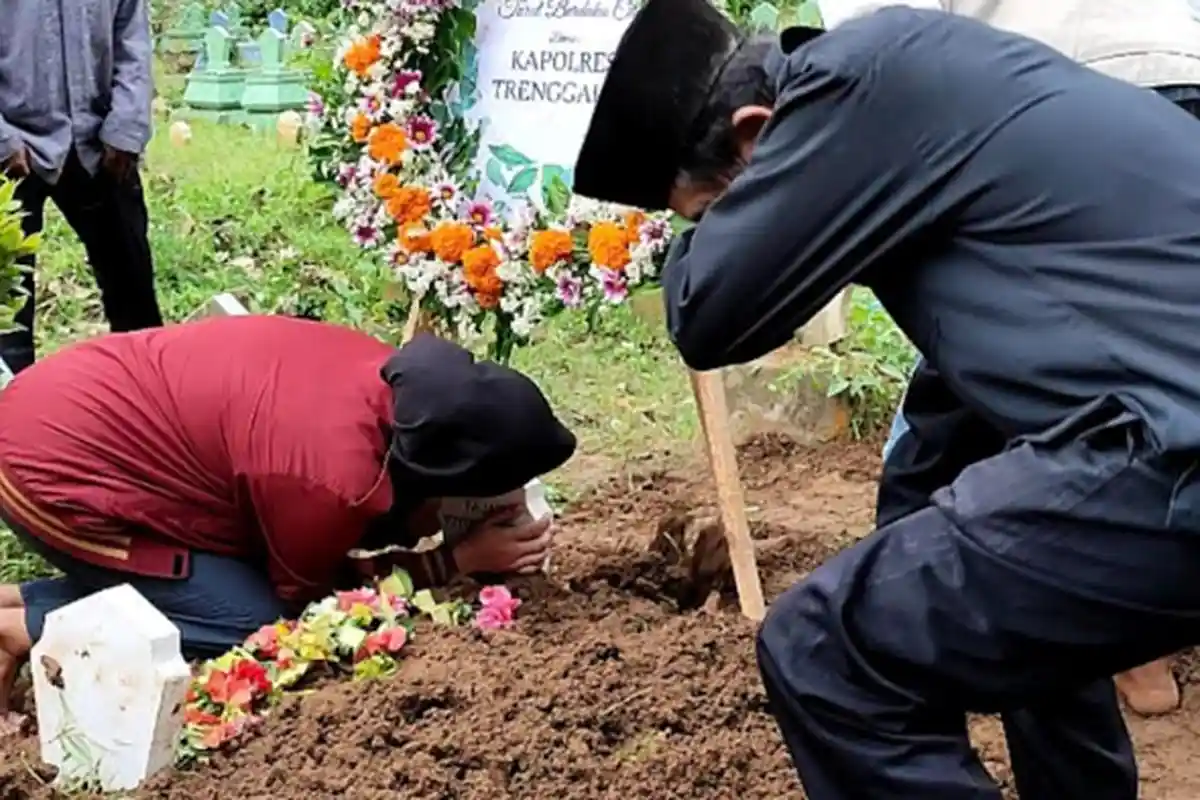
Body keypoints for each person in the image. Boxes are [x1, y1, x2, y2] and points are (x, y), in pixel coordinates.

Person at [575, 2, 1200, 798]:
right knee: (1003, 600)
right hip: (1164, 409)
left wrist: (709, 234)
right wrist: (913, 547)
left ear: (753, 134)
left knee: (826, 653)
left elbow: (706, 314)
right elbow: (950, 429)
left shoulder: (855, 83)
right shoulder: (929, 89)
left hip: (1174, 442)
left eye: (714, 212)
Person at [848, 0, 1200, 718]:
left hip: (1041, 104)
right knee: (1158, 369)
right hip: (1176, 80)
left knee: (1010, 433)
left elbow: (875, 56)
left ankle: (1102, 651)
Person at [0, 316, 576, 725]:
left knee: (218, 584)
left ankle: (13, 601)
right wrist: (456, 559)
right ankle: (23, 628)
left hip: (64, 405)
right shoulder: (333, 482)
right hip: (53, 475)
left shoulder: (380, 371)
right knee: (256, 624)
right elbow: (316, 604)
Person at [0, 0, 163, 375]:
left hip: (100, 144)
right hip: (13, 148)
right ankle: (13, 421)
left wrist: (126, 127)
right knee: (7, 316)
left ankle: (147, 413)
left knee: (135, 301)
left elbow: (132, 40)